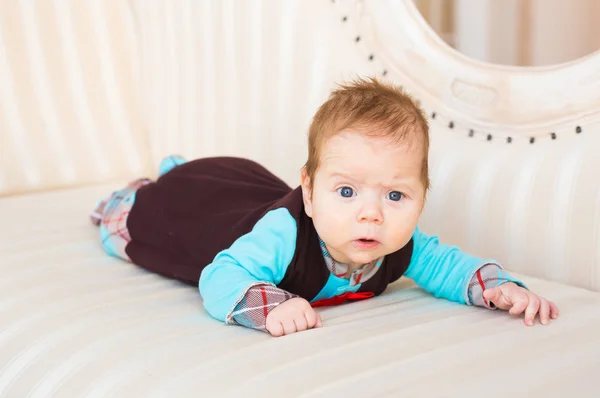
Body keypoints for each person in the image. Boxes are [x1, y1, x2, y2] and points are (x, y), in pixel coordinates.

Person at [91, 78, 559, 337]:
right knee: (139, 216)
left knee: (221, 186)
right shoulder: (282, 235)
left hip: (247, 191)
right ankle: (146, 186)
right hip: (198, 211)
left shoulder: (399, 245)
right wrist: (271, 305)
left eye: (395, 196)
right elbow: (221, 276)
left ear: (421, 197)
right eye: (348, 192)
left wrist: (499, 288)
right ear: (310, 193)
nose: (371, 214)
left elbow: (452, 267)